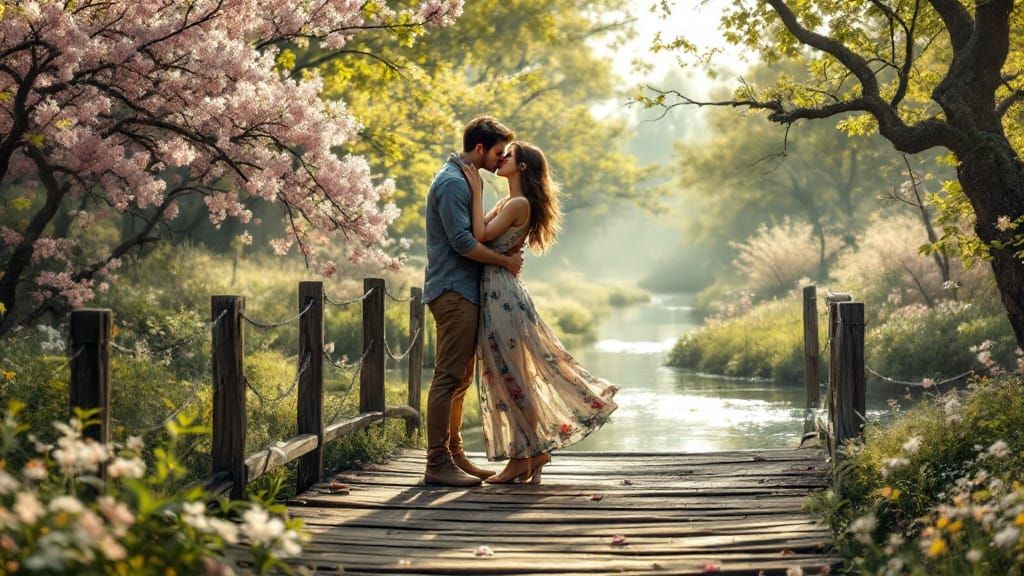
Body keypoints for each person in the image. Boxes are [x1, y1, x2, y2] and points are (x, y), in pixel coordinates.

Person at [458, 141, 618, 484]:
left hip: (501, 294)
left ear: (523, 167)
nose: (502, 159)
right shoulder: (510, 202)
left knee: (512, 377)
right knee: (507, 376)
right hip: (497, 292)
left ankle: (526, 455)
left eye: (509, 156)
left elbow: (480, 234)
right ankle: (531, 454)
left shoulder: (518, 203)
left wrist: (475, 190)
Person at [422, 116, 524, 487]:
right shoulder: (452, 183)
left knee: (460, 380)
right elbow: (463, 243)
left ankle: (455, 455)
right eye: (498, 152)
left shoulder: (466, 180)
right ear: (479, 148)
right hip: (453, 291)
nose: (501, 159)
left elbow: (476, 232)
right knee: (448, 378)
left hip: (463, 290)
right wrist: (506, 261)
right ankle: (436, 463)